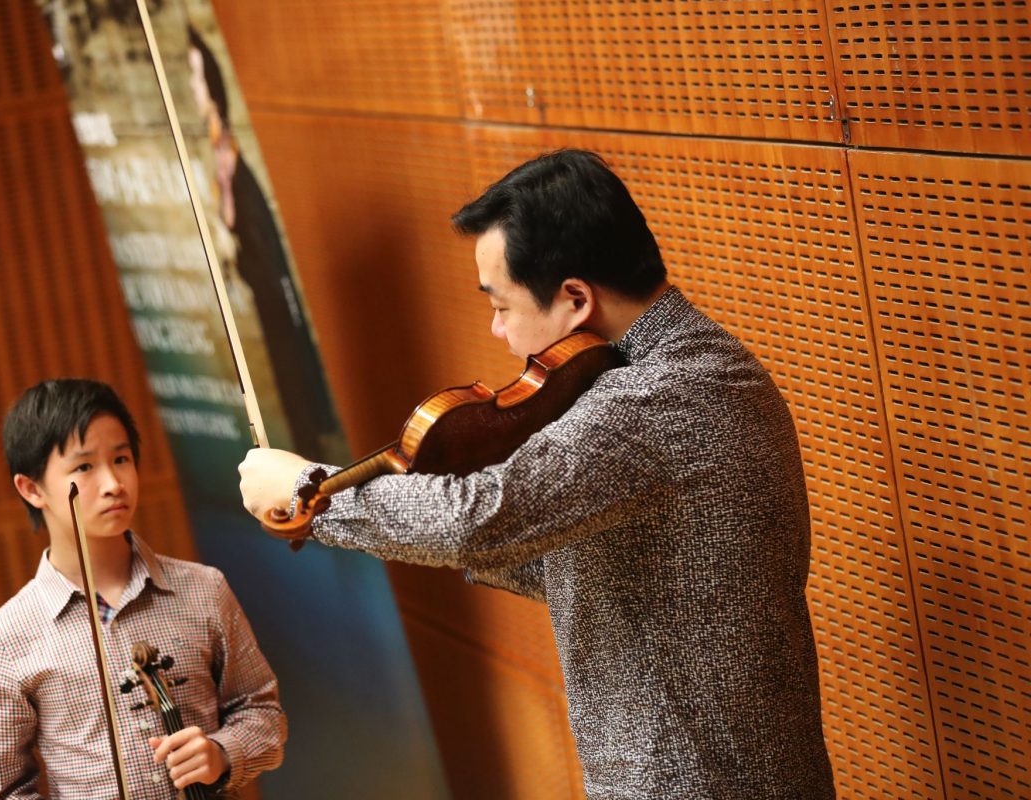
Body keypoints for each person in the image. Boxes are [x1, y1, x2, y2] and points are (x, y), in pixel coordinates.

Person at [239, 149, 837, 798]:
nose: (497, 331)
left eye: (500, 306)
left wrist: (313, 492)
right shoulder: (701, 365)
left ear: (576, 298)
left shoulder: (659, 400)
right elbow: (609, 573)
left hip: (696, 780)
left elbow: (477, 517)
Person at [0, 379, 285, 799]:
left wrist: (221, 752)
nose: (113, 483)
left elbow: (263, 714)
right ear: (32, 489)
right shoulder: (7, 638)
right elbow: (4, 792)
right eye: (84, 467)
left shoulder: (204, 589)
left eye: (121, 459)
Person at [187, 25, 339, 459]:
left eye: (198, 77)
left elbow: (245, 225)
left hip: (270, 286)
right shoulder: (218, 148)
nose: (194, 88)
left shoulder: (232, 154)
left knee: (292, 369)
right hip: (257, 285)